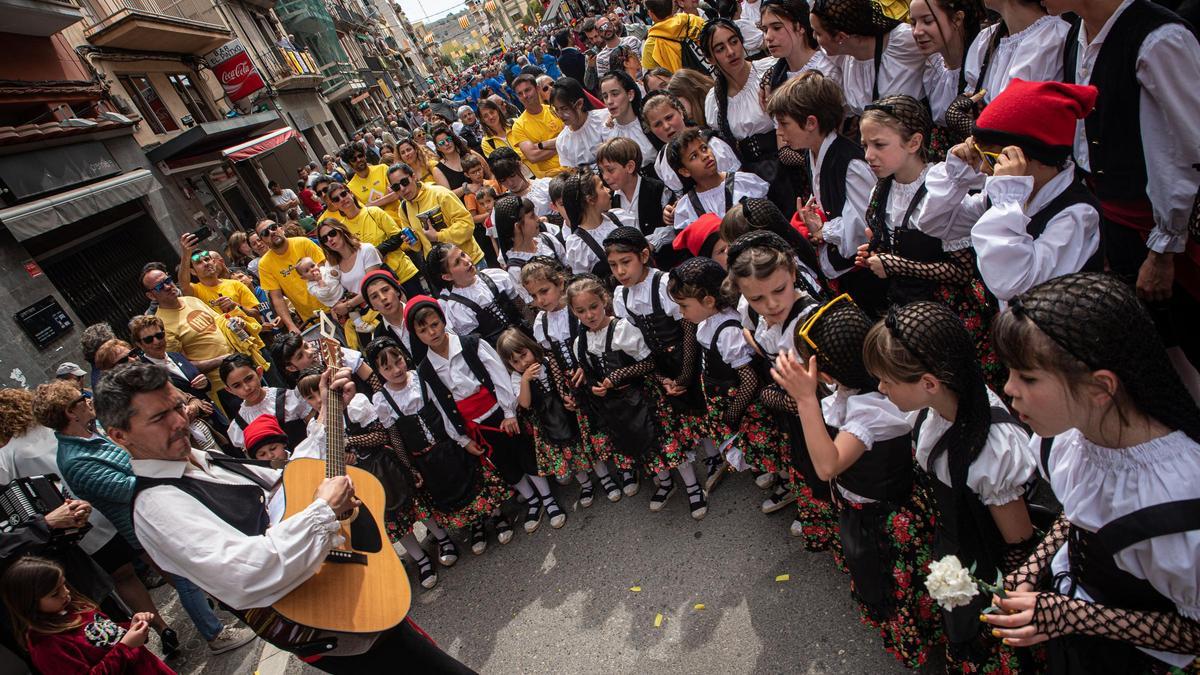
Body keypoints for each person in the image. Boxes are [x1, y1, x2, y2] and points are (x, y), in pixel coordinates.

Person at [96, 362, 475, 672]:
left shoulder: (200, 460)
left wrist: (327, 414)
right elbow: (245, 571)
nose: (179, 421)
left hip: (341, 595)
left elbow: (288, 482)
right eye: (160, 417)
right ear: (119, 435)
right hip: (328, 624)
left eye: (178, 407)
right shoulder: (156, 508)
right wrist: (323, 511)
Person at [982, 273, 1200, 674]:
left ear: (1101, 387)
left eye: (1027, 377)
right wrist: (1036, 565)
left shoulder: (1177, 505)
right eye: (1010, 372)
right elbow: (1084, 510)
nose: (1008, 389)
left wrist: (1073, 615)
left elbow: (1195, 631)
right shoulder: (1069, 438)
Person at [862, 300, 1035, 670]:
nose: (880, 387)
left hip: (981, 561)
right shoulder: (934, 408)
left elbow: (1018, 541)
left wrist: (997, 595)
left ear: (929, 383)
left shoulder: (991, 449)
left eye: (887, 381)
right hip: (954, 540)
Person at [1050, 0, 1200, 372]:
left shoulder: (1158, 39)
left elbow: (1182, 150)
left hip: (1162, 232)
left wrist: (1164, 247)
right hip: (1117, 221)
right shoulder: (1077, 34)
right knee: (1157, 350)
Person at [920, 79, 1102, 306]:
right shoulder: (1007, 195)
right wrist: (957, 174)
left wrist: (1007, 199)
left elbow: (1013, 283)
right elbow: (936, 223)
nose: (985, 169)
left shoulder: (1077, 214)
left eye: (993, 159)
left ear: (1035, 158)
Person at [404, 297, 541, 547]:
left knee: (523, 452)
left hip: (499, 412)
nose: (431, 332)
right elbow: (442, 406)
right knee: (503, 464)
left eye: (434, 324)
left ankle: (547, 497)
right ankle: (532, 500)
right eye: (423, 330)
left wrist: (509, 412)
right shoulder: (426, 369)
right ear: (416, 334)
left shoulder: (471, 344)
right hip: (474, 426)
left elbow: (498, 374)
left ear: (443, 320)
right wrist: (462, 438)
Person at [725, 232, 833, 545]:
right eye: (757, 299)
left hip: (824, 417)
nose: (771, 304)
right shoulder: (760, 315)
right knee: (804, 465)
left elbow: (829, 392)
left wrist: (772, 396)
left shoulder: (812, 322)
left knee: (826, 472)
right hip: (798, 415)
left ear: (793, 275)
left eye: (779, 290)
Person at [567, 275, 705, 517]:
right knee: (642, 446)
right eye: (581, 311)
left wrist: (619, 375)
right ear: (573, 312)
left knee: (666, 442)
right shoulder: (580, 341)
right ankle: (665, 483)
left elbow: (648, 362)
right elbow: (588, 373)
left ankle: (693, 487)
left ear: (604, 301)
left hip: (643, 397)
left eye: (593, 307)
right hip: (617, 407)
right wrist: (593, 387)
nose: (589, 315)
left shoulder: (621, 329)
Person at [365, 336, 500, 566]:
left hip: (448, 444)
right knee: (448, 493)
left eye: (397, 361)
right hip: (424, 458)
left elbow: (444, 409)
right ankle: (471, 527)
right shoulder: (382, 399)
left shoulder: (421, 377)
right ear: (379, 371)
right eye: (387, 367)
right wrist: (409, 467)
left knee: (471, 480)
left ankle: (490, 519)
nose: (396, 370)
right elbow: (395, 436)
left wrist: (461, 438)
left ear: (403, 356)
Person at [767, 72, 885, 318]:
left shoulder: (849, 163)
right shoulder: (812, 154)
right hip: (845, 271)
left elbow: (865, 223)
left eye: (784, 123)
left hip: (866, 274)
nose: (779, 131)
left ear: (811, 122)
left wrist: (824, 231)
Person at [519, 258, 624, 501]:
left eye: (544, 291)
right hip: (571, 385)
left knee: (609, 420)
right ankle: (603, 477)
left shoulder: (576, 310)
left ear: (560, 283)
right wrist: (562, 389)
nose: (541, 300)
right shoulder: (540, 323)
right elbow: (550, 358)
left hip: (596, 373)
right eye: (534, 296)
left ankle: (626, 468)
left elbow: (595, 337)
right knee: (584, 432)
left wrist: (583, 366)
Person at [0, 556, 174, 674]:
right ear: (29, 602)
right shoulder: (46, 646)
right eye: (55, 593)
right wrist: (126, 647)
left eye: (63, 584)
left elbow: (105, 636)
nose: (65, 593)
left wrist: (131, 626)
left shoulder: (75, 607)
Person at [142, 266, 261, 416]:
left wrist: (235, 322)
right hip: (224, 387)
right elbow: (183, 366)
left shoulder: (191, 300)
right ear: (151, 296)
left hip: (244, 368)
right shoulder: (162, 325)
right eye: (160, 286)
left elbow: (221, 324)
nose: (167, 286)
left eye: (168, 280)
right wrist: (223, 360)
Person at [808, 0, 927, 126]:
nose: (814, 37)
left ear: (841, 37)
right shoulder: (839, 55)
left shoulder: (904, 41)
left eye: (818, 33)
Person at [666, 128, 770, 233]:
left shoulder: (743, 182)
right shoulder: (687, 208)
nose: (705, 156)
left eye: (704, 148)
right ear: (685, 171)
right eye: (694, 156)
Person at [425, 243, 528, 346]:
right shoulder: (458, 307)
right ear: (447, 277)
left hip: (527, 337)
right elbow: (478, 345)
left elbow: (523, 307)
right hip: (502, 353)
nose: (466, 261)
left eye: (463, 255)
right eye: (457, 262)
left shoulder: (494, 276)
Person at [391, 162, 487, 269]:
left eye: (404, 182)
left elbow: (467, 225)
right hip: (442, 271)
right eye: (396, 187)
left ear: (413, 177)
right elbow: (418, 247)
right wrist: (413, 242)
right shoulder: (403, 209)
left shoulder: (440, 193)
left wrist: (438, 236)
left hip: (468, 262)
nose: (402, 188)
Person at [641, 92, 741, 194]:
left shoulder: (710, 143)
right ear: (651, 130)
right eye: (658, 124)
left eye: (669, 117)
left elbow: (738, 179)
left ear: (680, 112)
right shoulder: (662, 161)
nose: (666, 126)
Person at [254, 219, 329, 333]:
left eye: (273, 227)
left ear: (281, 228)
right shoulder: (264, 264)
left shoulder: (303, 243)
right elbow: (277, 298)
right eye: (265, 233)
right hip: (311, 319)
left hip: (333, 303)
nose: (271, 232)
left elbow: (325, 270)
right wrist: (291, 326)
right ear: (262, 241)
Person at [560, 170, 638, 278]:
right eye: (602, 187)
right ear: (590, 199)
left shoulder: (618, 217)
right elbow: (586, 283)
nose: (608, 190)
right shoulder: (578, 244)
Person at [177, 235, 262, 321]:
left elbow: (257, 315)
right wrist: (186, 255)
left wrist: (237, 306)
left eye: (207, 259)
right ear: (193, 271)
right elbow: (183, 284)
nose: (206, 263)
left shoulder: (236, 284)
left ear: (214, 262)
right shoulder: (195, 291)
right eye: (199, 262)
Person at [509, 74, 565, 179]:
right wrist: (564, 143)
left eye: (527, 90)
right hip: (553, 178)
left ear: (537, 89)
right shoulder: (518, 126)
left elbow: (573, 134)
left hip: (575, 163)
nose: (525, 96)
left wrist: (542, 145)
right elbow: (533, 156)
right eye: (520, 94)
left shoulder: (555, 109)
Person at [550, 78, 613, 170]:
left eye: (564, 108)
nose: (560, 115)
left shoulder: (605, 117)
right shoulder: (562, 141)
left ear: (579, 103)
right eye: (556, 109)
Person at [641, 0, 707, 72]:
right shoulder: (694, 20)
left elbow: (650, 77)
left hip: (683, 81)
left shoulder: (651, 44)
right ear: (672, 6)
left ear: (650, 13)